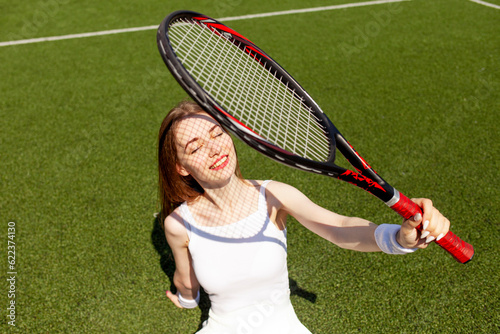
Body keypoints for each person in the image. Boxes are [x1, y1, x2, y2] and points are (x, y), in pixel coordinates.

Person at [158, 100, 450, 333]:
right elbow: (186, 279)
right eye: (194, 147)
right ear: (181, 168)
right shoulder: (179, 224)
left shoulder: (273, 195)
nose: (213, 149)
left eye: (217, 133)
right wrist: (186, 298)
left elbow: (339, 227)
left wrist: (399, 238)